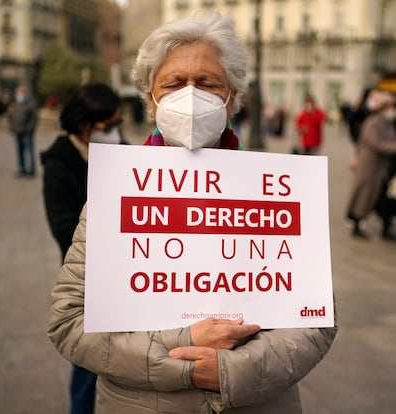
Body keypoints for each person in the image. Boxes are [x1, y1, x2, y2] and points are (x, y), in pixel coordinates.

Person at [48, 13, 337, 414]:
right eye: (173, 83)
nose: (190, 95)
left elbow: (316, 319)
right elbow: (68, 323)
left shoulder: (277, 191)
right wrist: (184, 350)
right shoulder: (114, 194)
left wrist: (229, 369)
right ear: (151, 100)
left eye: (207, 83)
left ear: (232, 97)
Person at [41, 81, 123, 414]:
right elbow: (64, 229)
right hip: (89, 279)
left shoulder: (121, 151)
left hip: (128, 274)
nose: (117, 132)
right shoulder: (60, 164)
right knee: (90, 363)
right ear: (85, 124)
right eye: (110, 125)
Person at [346, 90, 396, 240]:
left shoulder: (386, 123)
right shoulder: (372, 122)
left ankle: (381, 224)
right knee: (363, 194)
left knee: (376, 196)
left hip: (380, 167)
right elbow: (376, 143)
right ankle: (356, 222)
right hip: (368, 166)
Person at [8, 85, 38, 176]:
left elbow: (34, 118)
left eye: (20, 93)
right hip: (18, 132)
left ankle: (32, 170)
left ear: (24, 93)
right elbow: (11, 116)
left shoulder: (30, 103)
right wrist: (12, 127)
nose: (18, 95)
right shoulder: (15, 103)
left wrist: (29, 129)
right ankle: (22, 169)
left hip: (27, 133)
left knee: (29, 151)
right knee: (20, 152)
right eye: (17, 93)